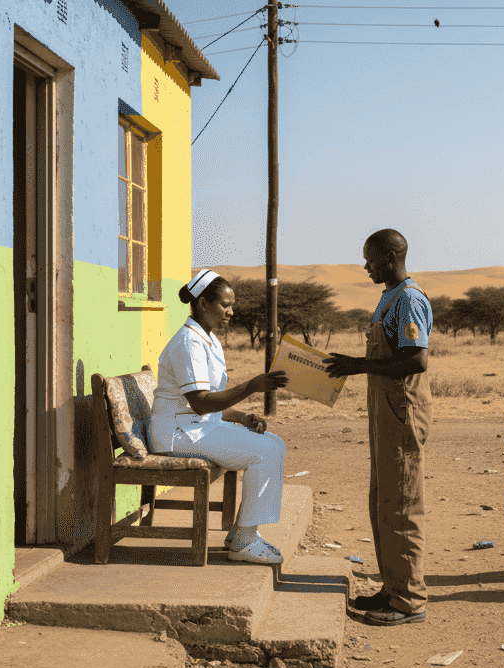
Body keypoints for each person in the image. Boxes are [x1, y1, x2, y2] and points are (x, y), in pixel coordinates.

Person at [323, 229, 433, 626]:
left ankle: (409, 602)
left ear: (389, 256)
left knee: (401, 504)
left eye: (370, 258)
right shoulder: (388, 297)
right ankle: (392, 587)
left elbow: (416, 361)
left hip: (402, 413)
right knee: (383, 500)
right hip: (384, 412)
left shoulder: (408, 298)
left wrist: (360, 365)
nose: (365, 265)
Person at [148, 269, 290, 565]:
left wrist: (240, 417)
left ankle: (242, 532)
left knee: (274, 442)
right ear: (202, 304)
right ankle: (244, 542)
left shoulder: (206, 339)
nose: (231, 311)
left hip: (193, 426)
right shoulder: (188, 344)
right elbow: (200, 404)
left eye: (231, 305)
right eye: (224, 305)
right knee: (265, 451)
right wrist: (251, 386)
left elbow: (206, 402)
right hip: (177, 433)